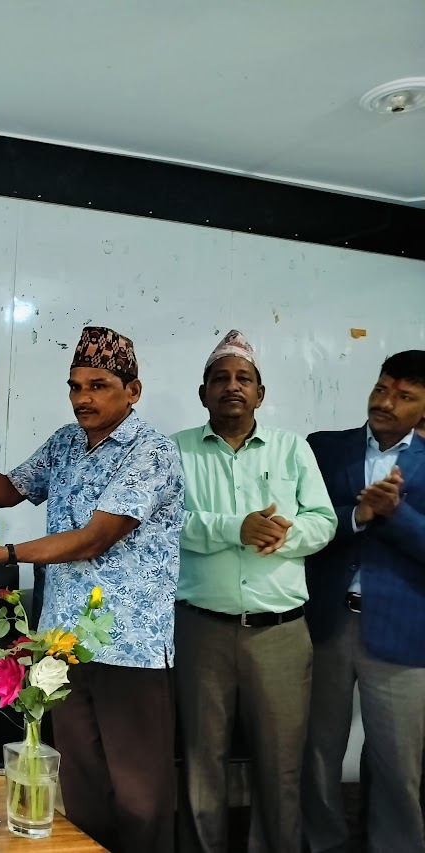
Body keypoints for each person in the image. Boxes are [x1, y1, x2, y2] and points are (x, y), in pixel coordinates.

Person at [0, 326, 183, 853]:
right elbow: (11, 489)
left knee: (141, 795)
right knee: (83, 787)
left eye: (98, 386)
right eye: (75, 386)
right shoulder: (67, 441)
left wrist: (6, 554)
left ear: (133, 391)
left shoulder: (152, 451)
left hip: (129, 649)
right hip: (63, 645)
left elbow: (95, 538)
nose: (82, 398)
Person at [171, 331, 335, 853]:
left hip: (280, 636)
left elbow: (325, 521)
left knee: (281, 765)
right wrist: (234, 529)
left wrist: (285, 534)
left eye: (244, 378)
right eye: (220, 378)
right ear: (203, 393)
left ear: (260, 394)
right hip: (201, 630)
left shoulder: (292, 448)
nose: (232, 386)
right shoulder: (174, 450)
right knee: (202, 763)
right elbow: (165, 523)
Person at [302, 350, 425, 853]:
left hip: (402, 631)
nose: (386, 403)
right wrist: (356, 515)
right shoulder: (325, 449)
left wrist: (395, 514)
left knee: (399, 763)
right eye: (380, 389)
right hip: (326, 623)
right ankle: (322, 843)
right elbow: (302, 525)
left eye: (405, 396)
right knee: (317, 751)